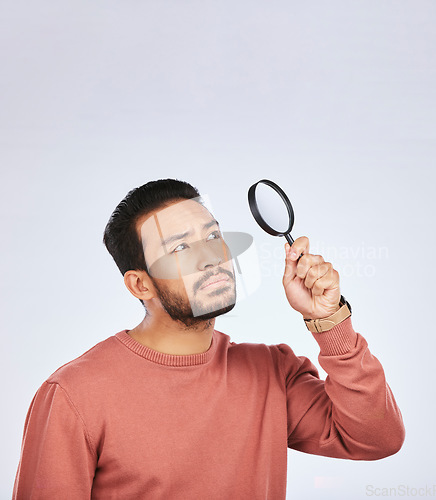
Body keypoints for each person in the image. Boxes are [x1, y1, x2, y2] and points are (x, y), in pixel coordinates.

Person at [12, 178, 405, 499]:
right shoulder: (73, 393)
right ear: (140, 284)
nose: (211, 256)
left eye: (212, 235)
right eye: (180, 246)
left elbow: (376, 438)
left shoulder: (272, 372)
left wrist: (329, 321)